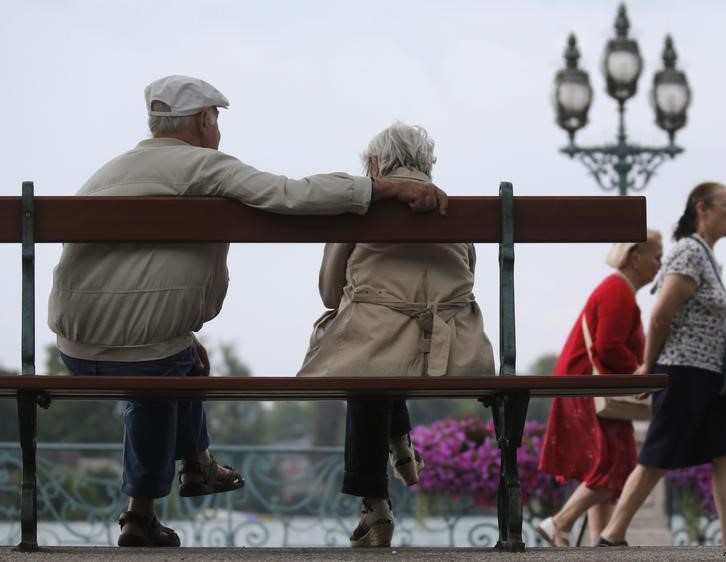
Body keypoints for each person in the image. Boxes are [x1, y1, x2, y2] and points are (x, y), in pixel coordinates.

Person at [47, 76, 447, 548]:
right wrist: (383, 190)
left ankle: (174, 486)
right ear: (203, 120)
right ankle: (170, 487)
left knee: (179, 362)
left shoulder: (107, 173)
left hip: (73, 347)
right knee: (159, 373)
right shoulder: (205, 167)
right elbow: (291, 195)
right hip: (146, 354)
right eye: (216, 118)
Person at [297, 122, 495, 547]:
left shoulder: (357, 210)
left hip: (375, 353)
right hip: (451, 356)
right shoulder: (458, 214)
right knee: (386, 350)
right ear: (427, 165)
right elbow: (465, 285)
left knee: (368, 359)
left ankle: (376, 506)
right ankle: (400, 440)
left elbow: (330, 292)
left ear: (373, 165)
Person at [596, 182, 726, 547]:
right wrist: (648, 367)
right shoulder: (689, 253)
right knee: (658, 456)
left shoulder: (705, 255)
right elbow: (661, 313)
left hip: (707, 374)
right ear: (702, 208)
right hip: (684, 370)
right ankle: (612, 534)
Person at [535, 230, 663, 547]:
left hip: (585, 385)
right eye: (656, 256)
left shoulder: (617, 289)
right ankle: (559, 523)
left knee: (604, 461)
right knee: (619, 464)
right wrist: (636, 373)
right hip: (590, 388)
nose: (660, 264)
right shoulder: (618, 291)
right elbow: (608, 346)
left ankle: (597, 543)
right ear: (635, 257)